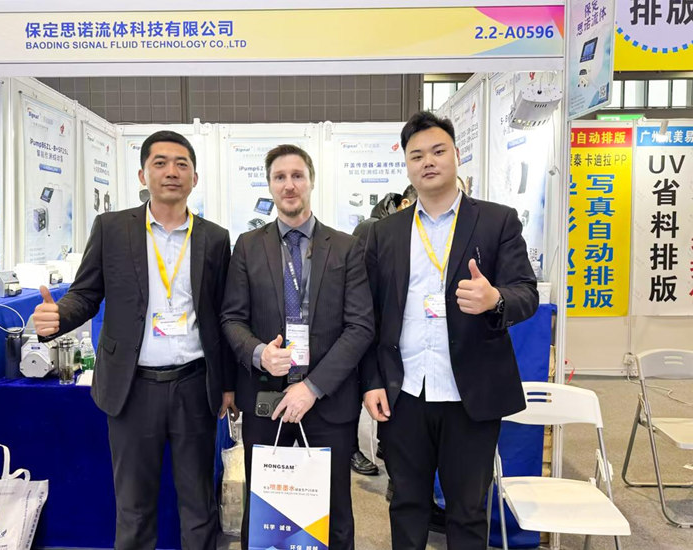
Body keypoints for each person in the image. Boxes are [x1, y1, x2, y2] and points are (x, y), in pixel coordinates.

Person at [32, 130, 236, 550]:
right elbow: (86, 293)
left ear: (195, 178)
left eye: (181, 164)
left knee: (199, 504)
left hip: (194, 386)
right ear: (143, 175)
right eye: (160, 163)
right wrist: (59, 316)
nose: (171, 172)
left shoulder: (215, 238)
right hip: (132, 387)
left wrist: (229, 384)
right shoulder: (111, 228)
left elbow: (223, 315)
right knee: (134, 508)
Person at [361, 111, 538, 550]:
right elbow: (369, 315)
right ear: (407, 165)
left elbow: (526, 293)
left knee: (467, 510)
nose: (428, 161)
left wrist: (495, 299)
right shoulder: (385, 233)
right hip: (405, 393)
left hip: (470, 393)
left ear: (457, 155)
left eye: (438, 151)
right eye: (416, 155)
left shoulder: (496, 221)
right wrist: (372, 381)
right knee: (406, 504)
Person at [221, 144, 374, 550]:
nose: (289, 185)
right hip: (266, 401)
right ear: (270, 185)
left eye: (297, 176)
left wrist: (312, 387)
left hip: (328, 401)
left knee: (333, 513)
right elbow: (231, 318)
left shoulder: (346, 247)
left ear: (311, 181)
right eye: (280, 177)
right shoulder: (247, 246)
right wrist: (259, 353)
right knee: (266, 513)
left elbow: (360, 326)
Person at [348, 185, 416, 477]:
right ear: (405, 204)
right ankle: (352, 449)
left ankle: (383, 447)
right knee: (360, 389)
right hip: (367, 327)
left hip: (395, 333)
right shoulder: (372, 229)